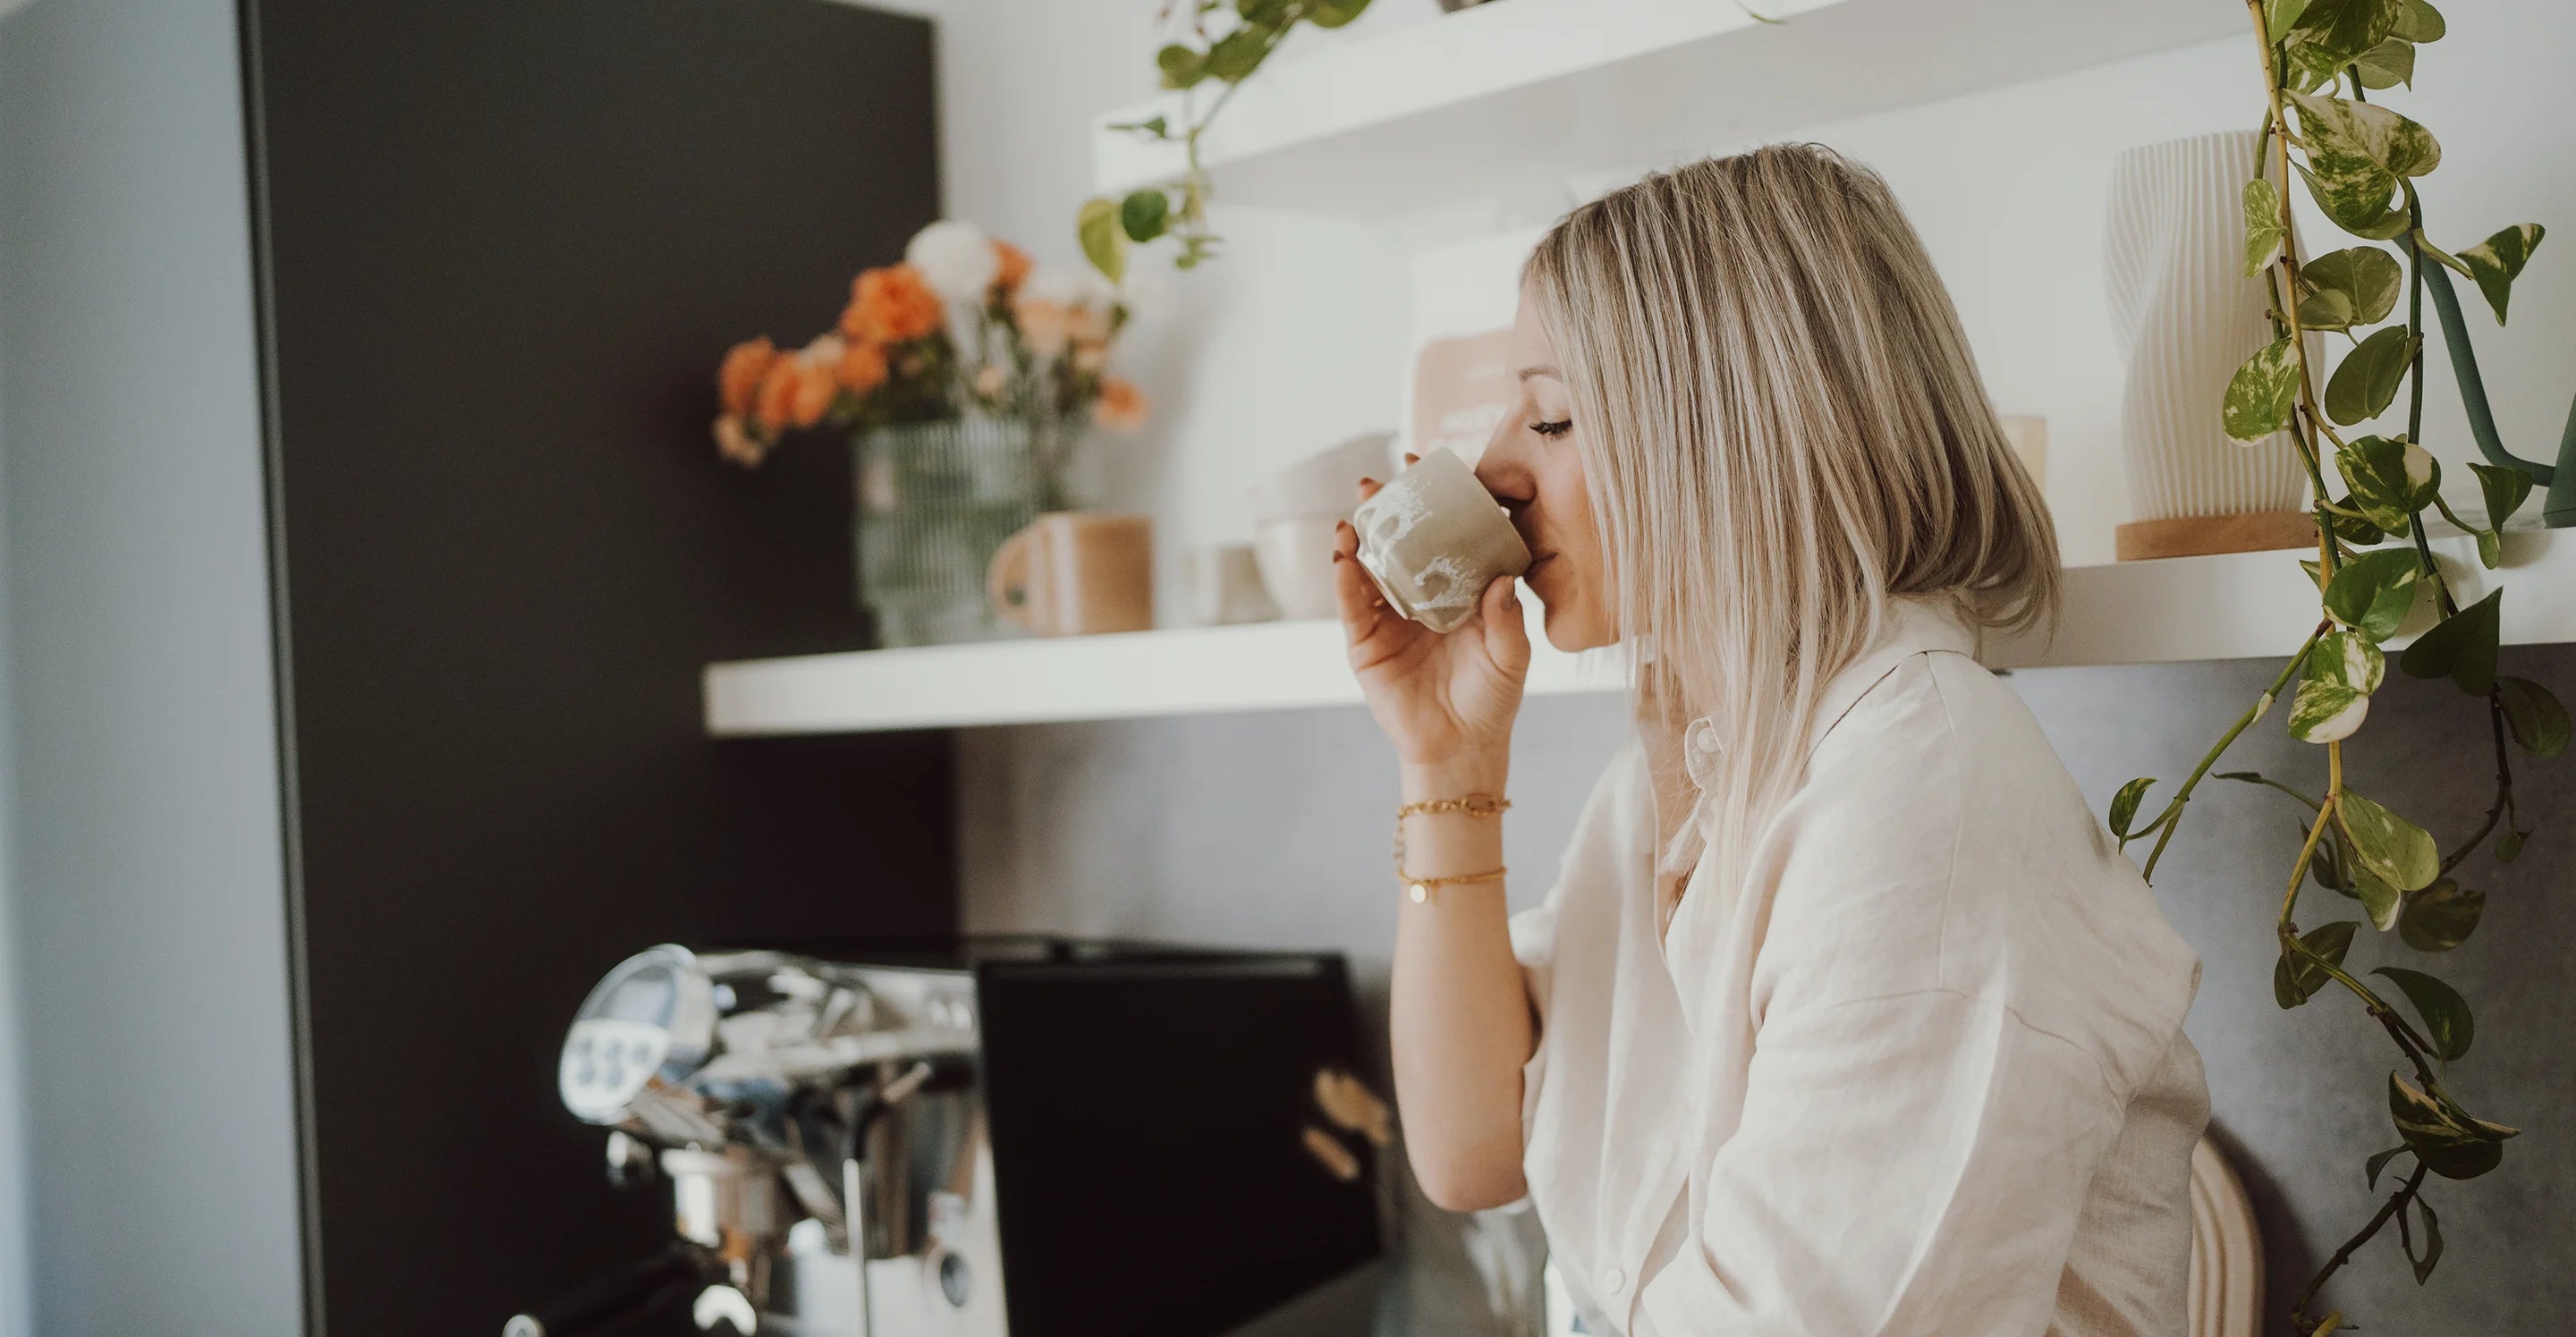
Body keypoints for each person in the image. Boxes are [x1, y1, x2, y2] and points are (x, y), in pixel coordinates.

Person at [1330, 145, 2207, 1336]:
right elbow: (1474, 1151)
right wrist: (1446, 763)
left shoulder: (1922, 798)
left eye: (1551, 414)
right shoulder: (1674, 788)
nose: (1490, 467)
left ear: (1737, 431)